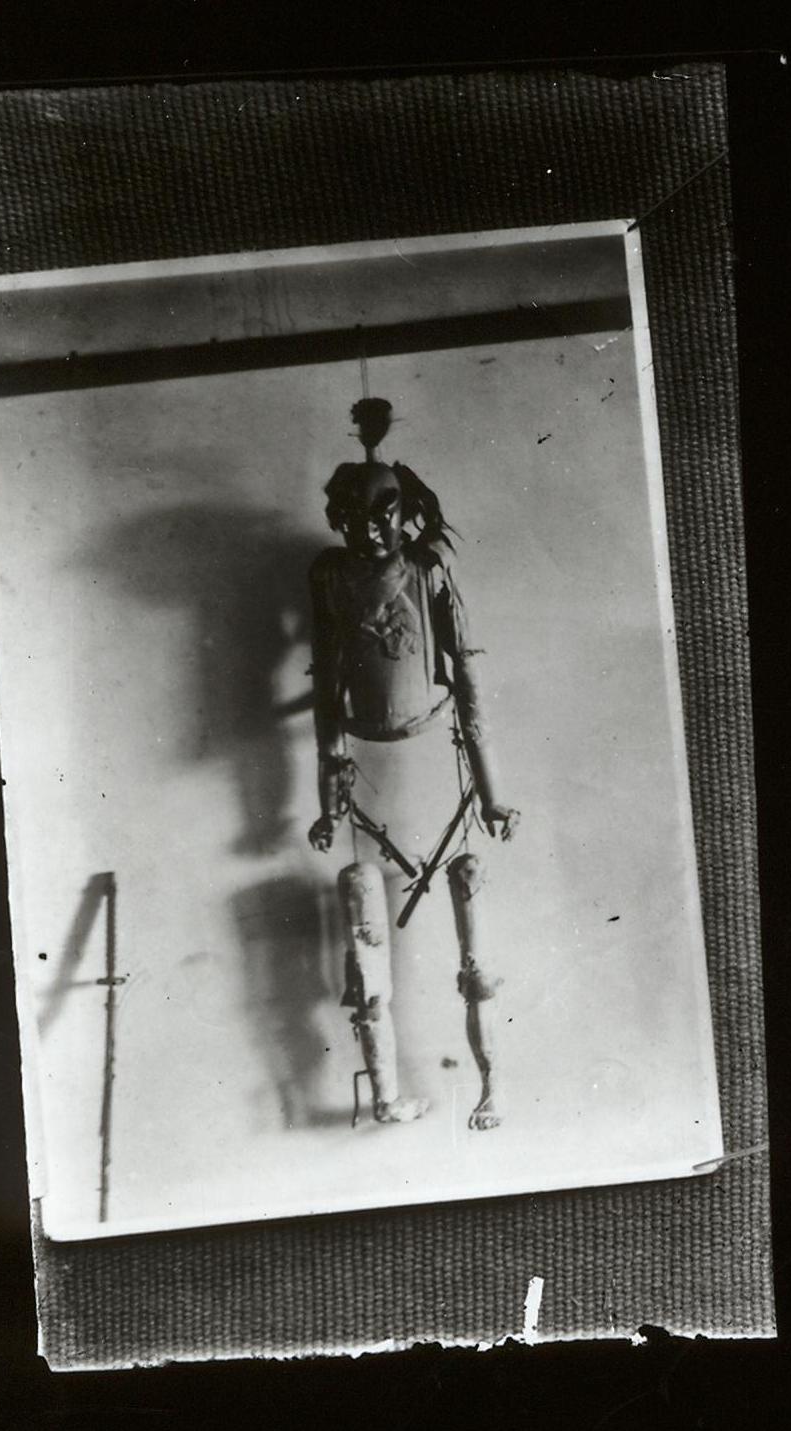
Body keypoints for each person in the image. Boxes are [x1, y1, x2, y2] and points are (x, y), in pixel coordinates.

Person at [307, 398, 518, 1130]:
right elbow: (327, 687)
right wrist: (329, 799)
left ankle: (490, 1089)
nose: (369, 532)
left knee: (472, 916)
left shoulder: (428, 568)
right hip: (365, 757)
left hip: (436, 754)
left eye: (382, 516)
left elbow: (467, 677)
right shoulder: (330, 577)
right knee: (363, 913)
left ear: (404, 512)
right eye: (354, 519)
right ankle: (389, 1097)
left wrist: (490, 794)